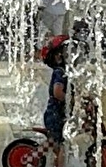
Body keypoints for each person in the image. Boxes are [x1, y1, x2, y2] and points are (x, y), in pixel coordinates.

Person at [40, 35, 70, 165]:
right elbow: (57, 92)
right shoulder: (60, 72)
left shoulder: (62, 71)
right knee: (60, 148)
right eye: (66, 52)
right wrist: (70, 99)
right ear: (58, 57)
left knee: (55, 145)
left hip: (55, 114)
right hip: (55, 115)